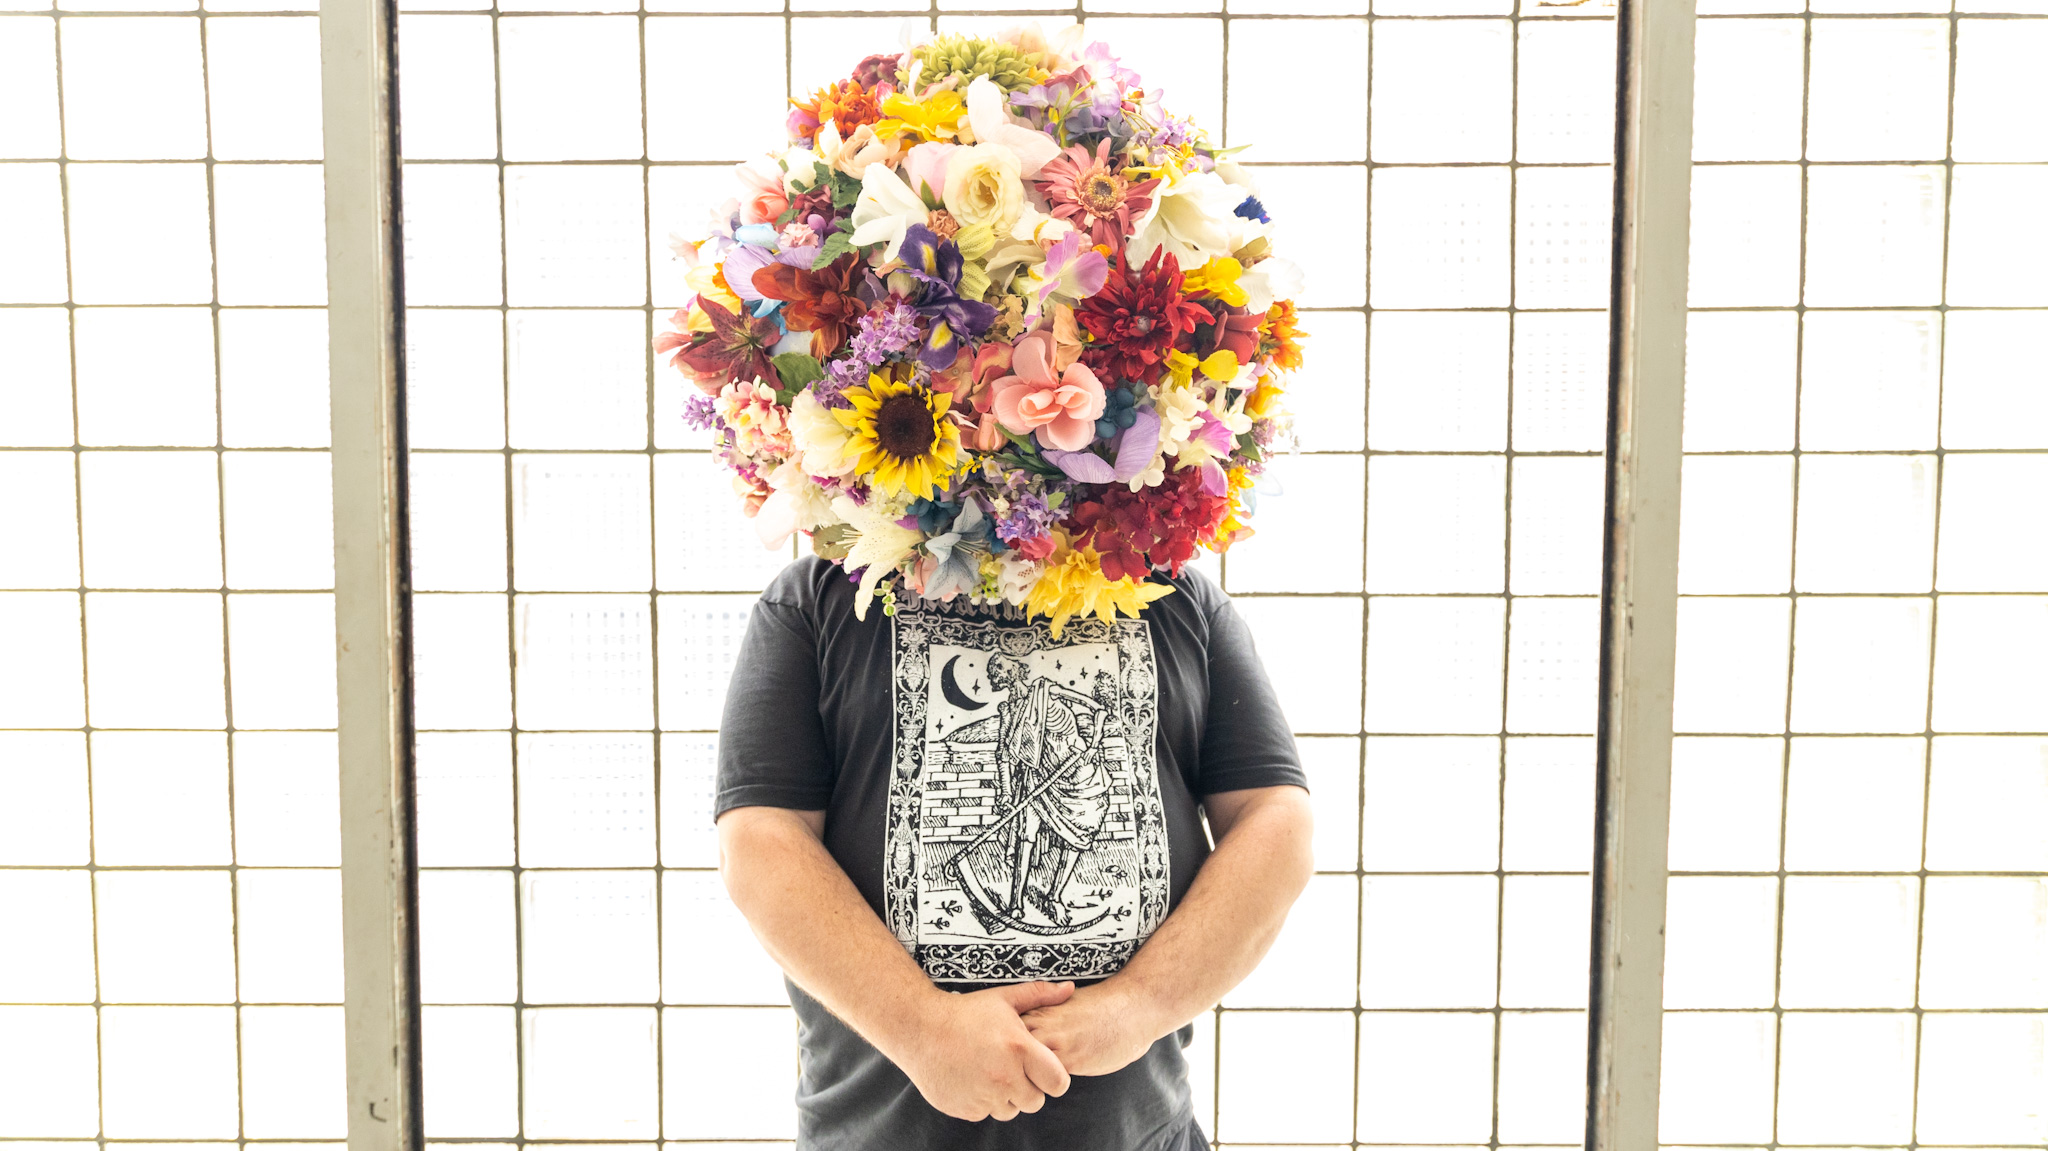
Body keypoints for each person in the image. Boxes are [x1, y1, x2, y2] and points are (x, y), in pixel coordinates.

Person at [716, 556, 1313, 1150]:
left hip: (1139, 1134)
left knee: (1058, 841)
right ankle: (1025, 890)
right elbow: (761, 840)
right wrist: (923, 1029)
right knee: (1030, 838)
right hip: (873, 1134)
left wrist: (1138, 1006)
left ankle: (1044, 895)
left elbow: (1275, 822)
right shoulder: (816, 599)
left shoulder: (1179, 597)